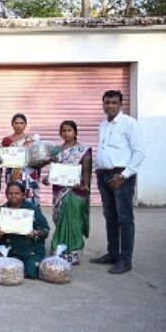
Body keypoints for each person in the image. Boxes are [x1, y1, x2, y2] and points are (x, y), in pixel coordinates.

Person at [91, 90, 144, 274]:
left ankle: (125, 260)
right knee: (110, 217)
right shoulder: (103, 125)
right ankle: (112, 254)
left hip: (121, 177)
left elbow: (139, 152)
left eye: (114, 102)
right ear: (103, 104)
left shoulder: (129, 123)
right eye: (107, 102)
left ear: (121, 104)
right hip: (104, 175)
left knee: (125, 218)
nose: (110, 106)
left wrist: (123, 176)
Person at [42, 121, 92, 265]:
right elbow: (54, 170)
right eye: (63, 131)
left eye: (69, 130)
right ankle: (59, 250)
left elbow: (86, 170)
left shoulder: (83, 150)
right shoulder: (57, 150)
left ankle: (74, 251)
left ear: (75, 133)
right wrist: (47, 179)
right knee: (61, 220)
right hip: (59, 191)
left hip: (75, 191)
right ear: (60, 133)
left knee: (73, 221)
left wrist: (85, 185)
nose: (66, 133)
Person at [0, 182, 50, 279]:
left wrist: (35, 233)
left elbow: (46, 230)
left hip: (29, 250)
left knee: (31, 273)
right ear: (6, 195)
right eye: (10, 193)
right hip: (9, 249)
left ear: (23, 195)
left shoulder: (32, 209)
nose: (13, 196)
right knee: (5, 271)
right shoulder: (3, 211)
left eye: (17, 193)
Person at [1, 113, 42, 207]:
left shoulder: (32, 140)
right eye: (16, 123)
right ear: (12, 124)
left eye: (21, 123)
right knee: (14, 196)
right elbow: (3, 158)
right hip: (14, 174)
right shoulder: (7, 140)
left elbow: (38, 158)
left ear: (25, 124)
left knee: (30, 199)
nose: (19, 126)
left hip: (30, 175)